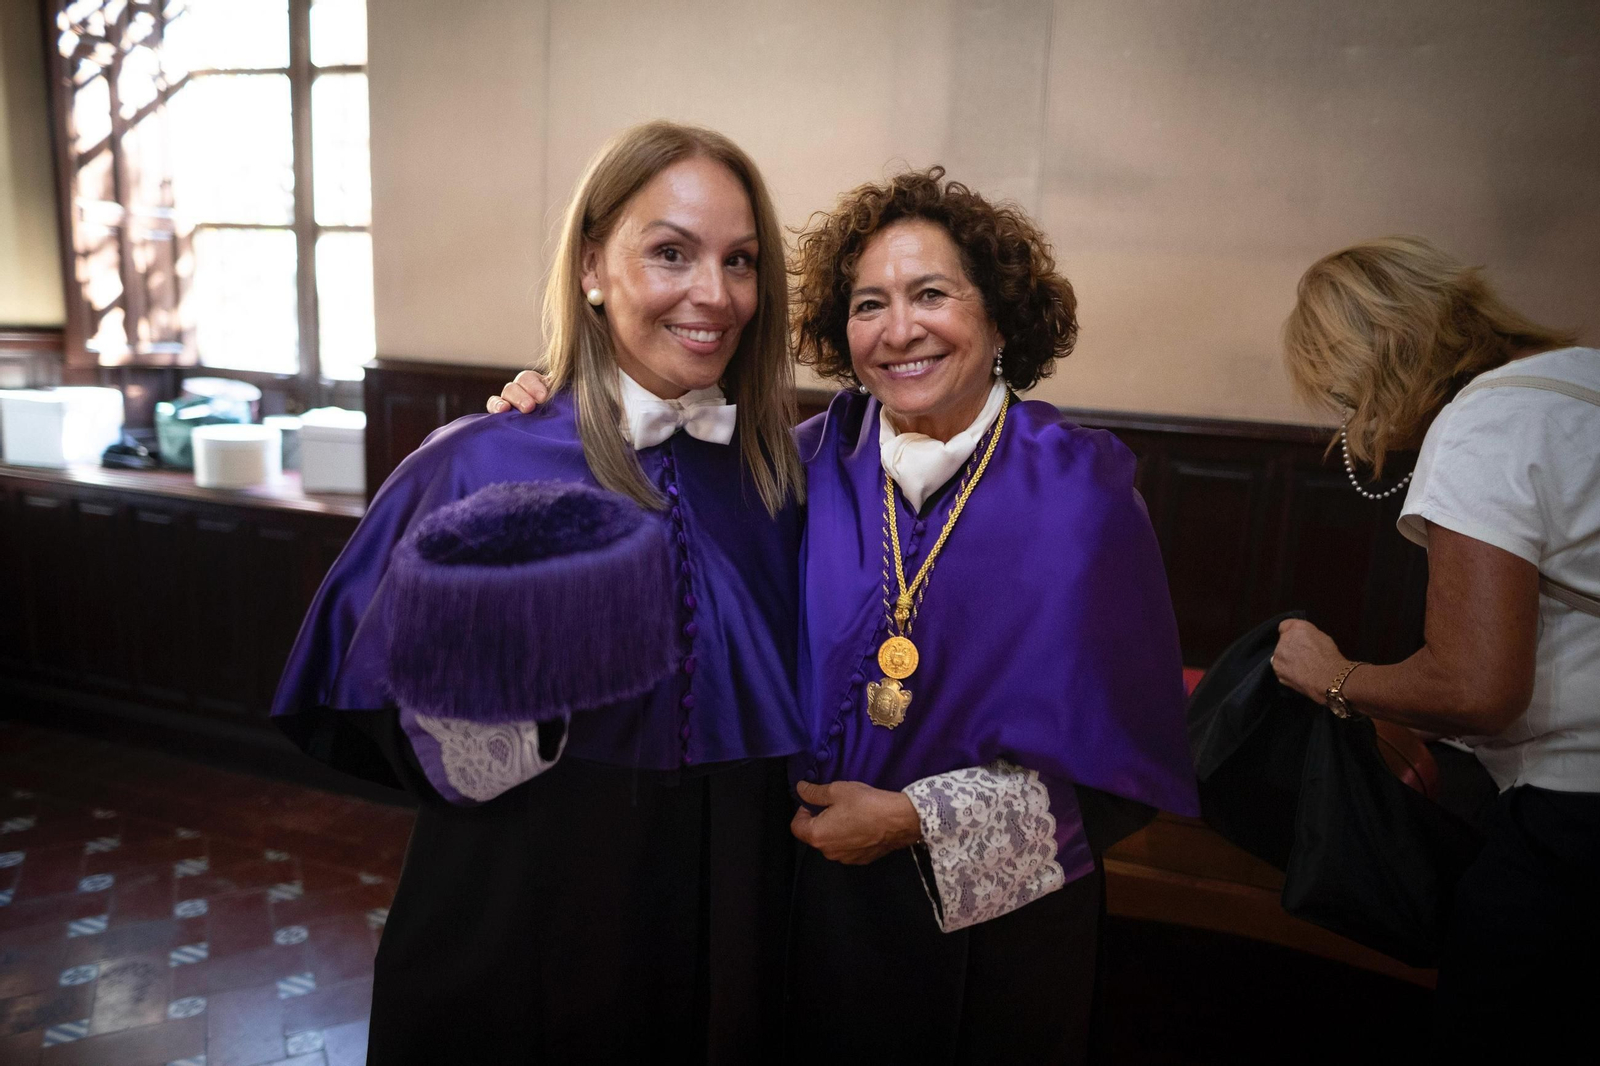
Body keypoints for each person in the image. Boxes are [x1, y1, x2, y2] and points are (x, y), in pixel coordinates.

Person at [490, 167, 1198, 1061]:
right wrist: (550, 406)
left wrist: (913, 820)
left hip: (996, 934)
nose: (899, 330)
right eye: (869, 304)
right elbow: (661, 518)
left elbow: (1119, 776)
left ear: (998, 313)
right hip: (799, 901)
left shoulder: (1085, 494)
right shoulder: (795, 468)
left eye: (931, 294)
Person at [274, 121, 808, 1064]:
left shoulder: (780, 480)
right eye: (671, 253)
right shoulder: (480, 464)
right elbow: (386, 724)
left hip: (727, 929)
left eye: (741, 261)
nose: (714, 295)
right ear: (594, 265)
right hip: (527, 922)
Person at [1271, 236, 1600, 1055]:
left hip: (1576, 820)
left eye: (1344, 394)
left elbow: (1477, 685)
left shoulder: (1485, 423)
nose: (1353, 420)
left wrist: (1334, 677)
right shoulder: (1578, 378)